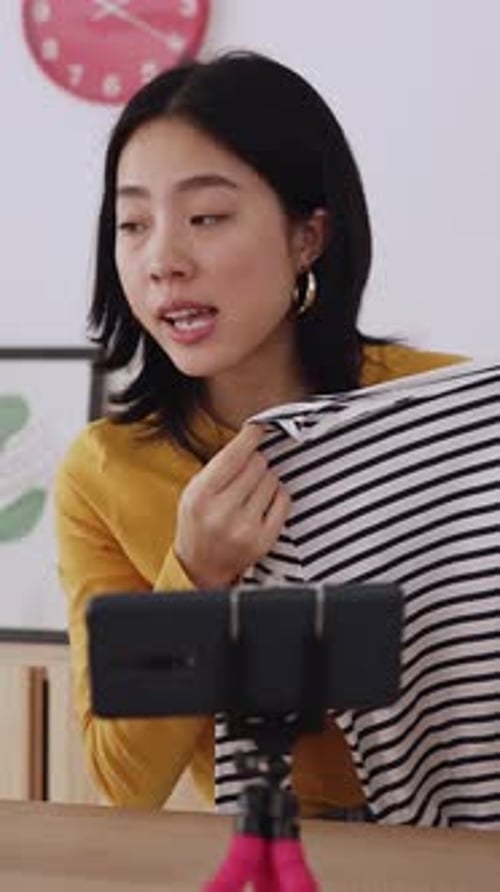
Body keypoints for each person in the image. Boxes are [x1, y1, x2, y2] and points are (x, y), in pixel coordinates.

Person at [54, 51, 460, 817]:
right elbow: (124, 784)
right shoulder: (104, 471)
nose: (162, 261)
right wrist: (196, 577)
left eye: (206, 217)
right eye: (132, 223)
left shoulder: (443, 408)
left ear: (308, 236)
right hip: (265, 859)